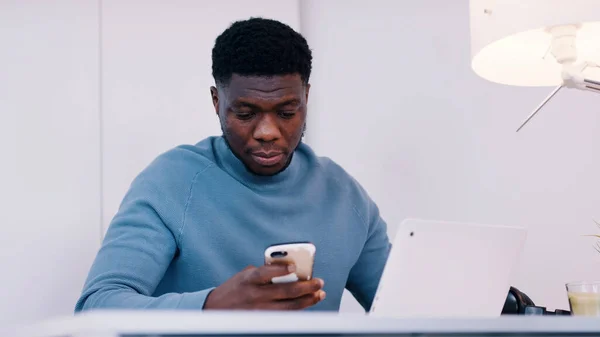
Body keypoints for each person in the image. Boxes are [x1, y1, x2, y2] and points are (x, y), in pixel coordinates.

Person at [75, 17, 391, 313]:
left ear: (306, 97)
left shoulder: (344, 195)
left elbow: (408, 307)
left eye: (286, 112)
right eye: (245, 114)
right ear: (217, 101)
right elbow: (97, 305)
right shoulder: (172, 183)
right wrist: (211, 305)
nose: (267, 132)